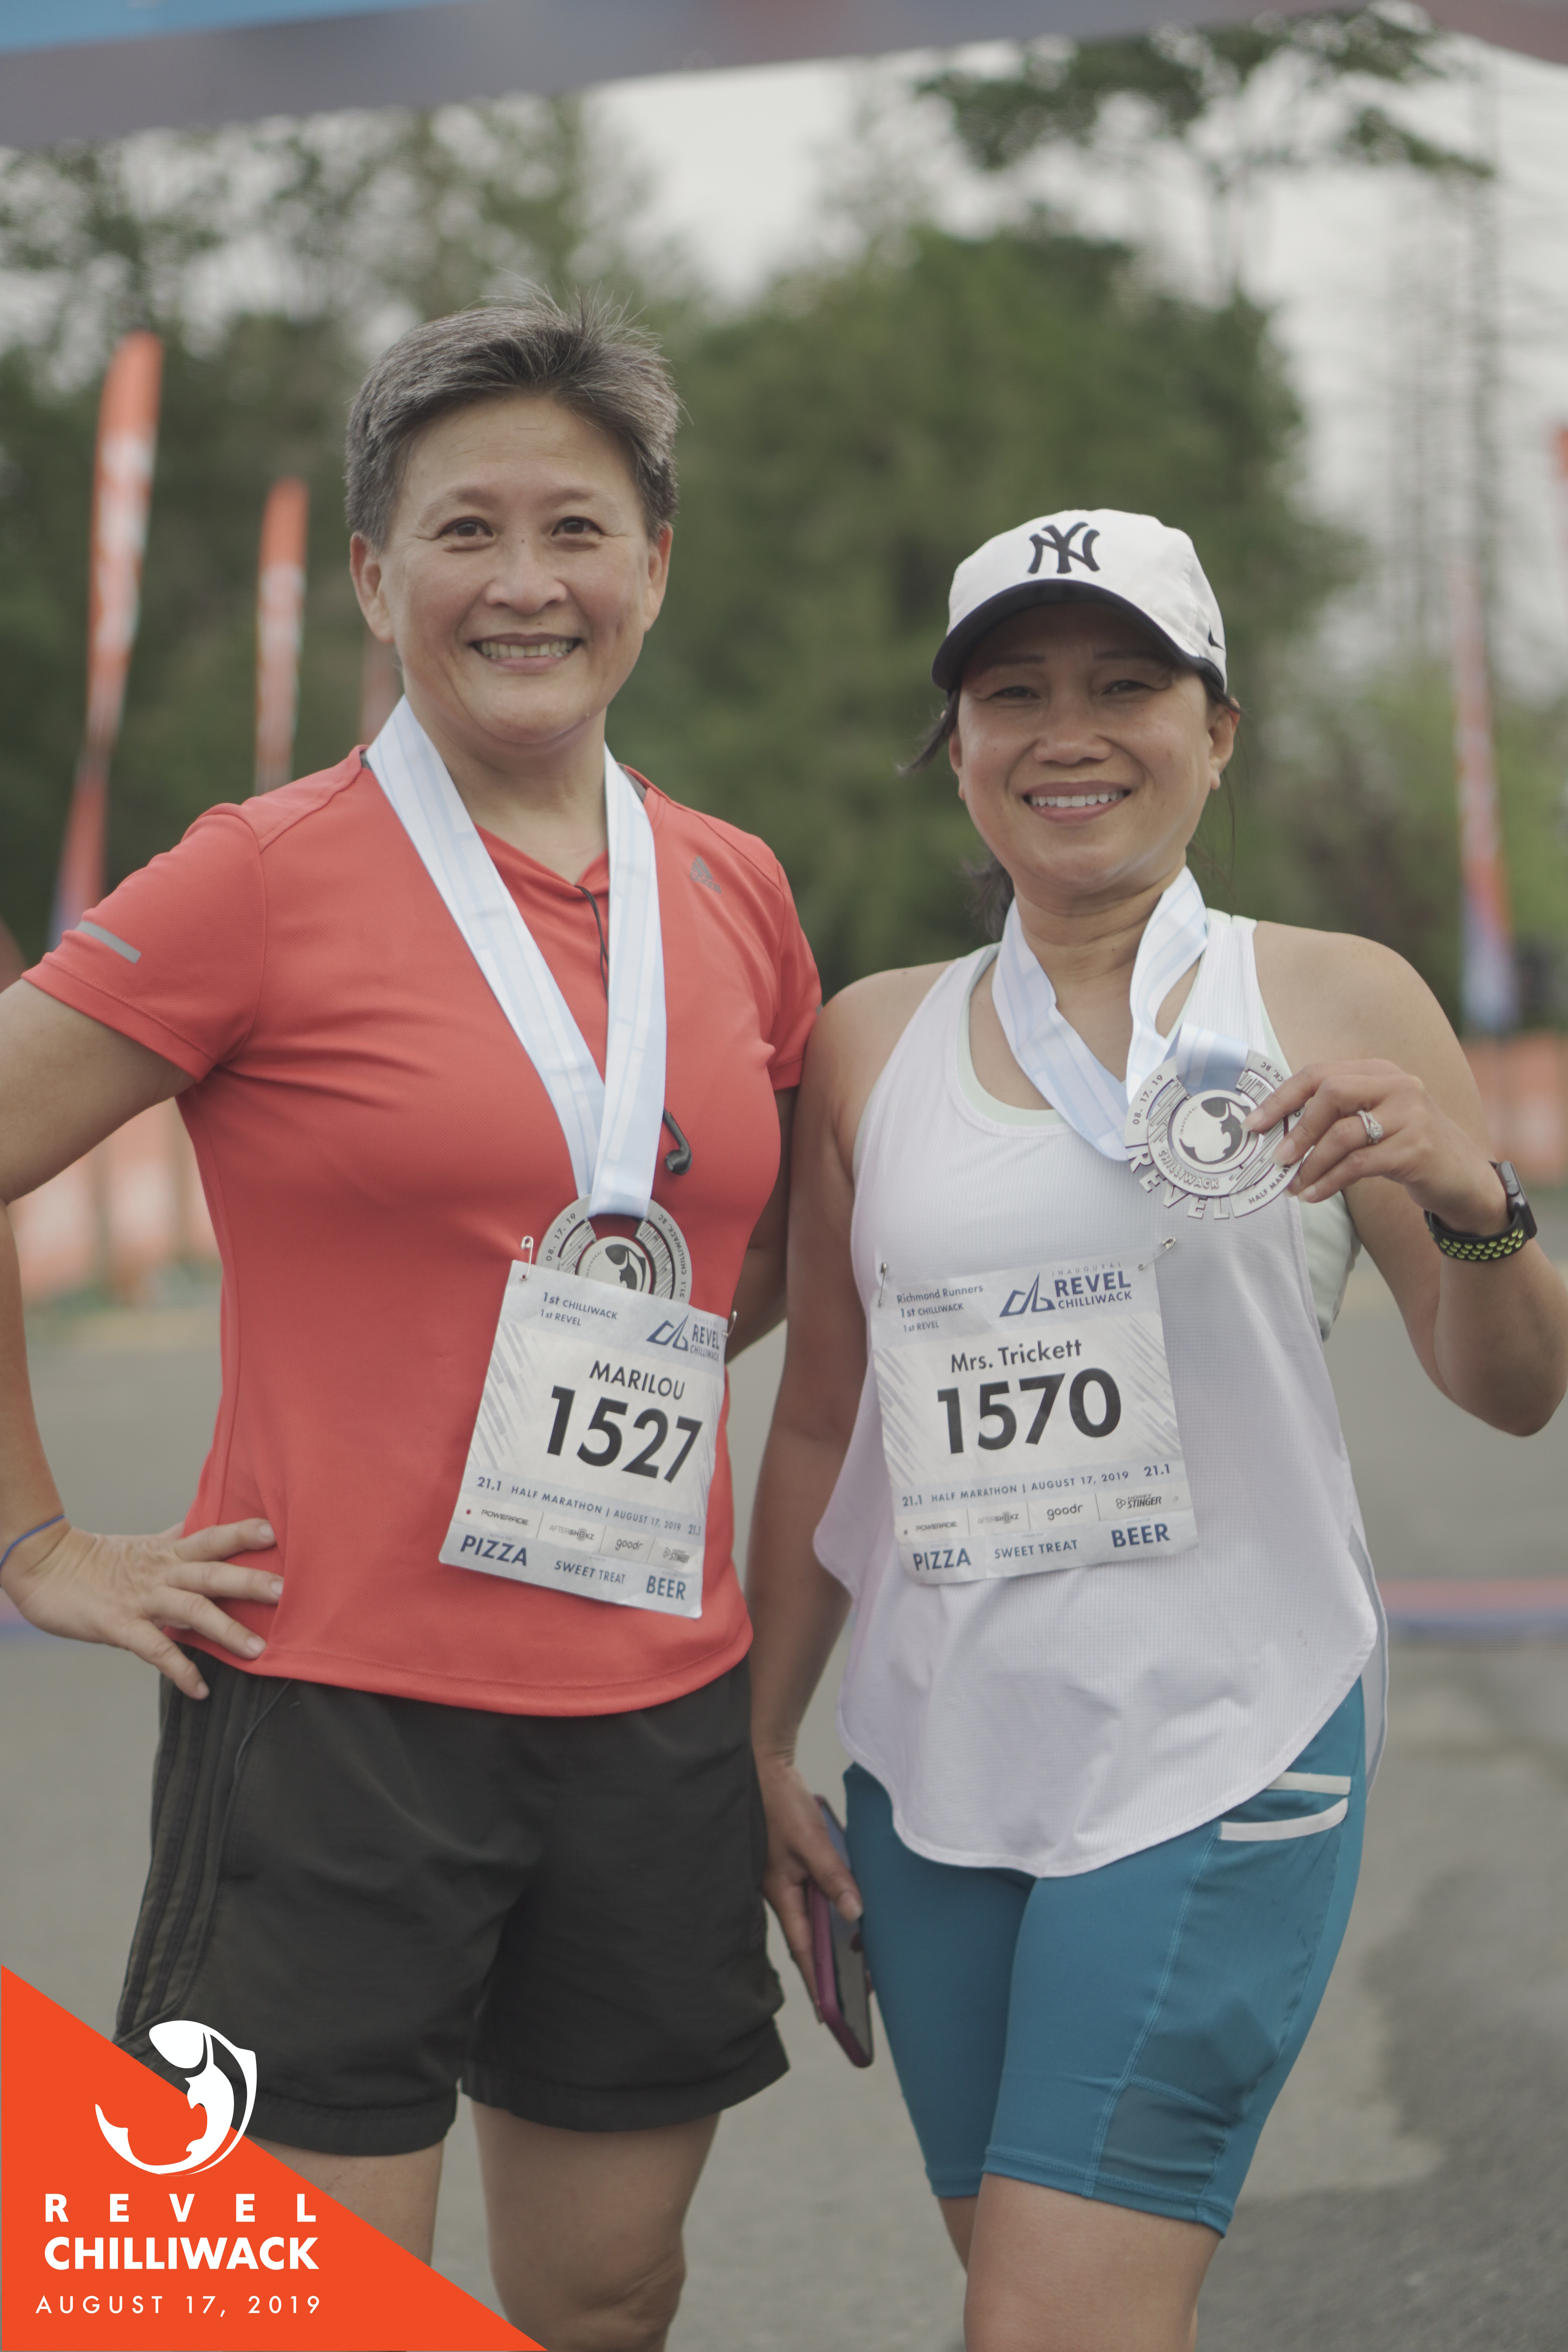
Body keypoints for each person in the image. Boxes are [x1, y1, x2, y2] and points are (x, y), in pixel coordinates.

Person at [0, 293, 820, 2352]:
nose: (525, 582)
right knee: (299, 2309)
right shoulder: (256, 878)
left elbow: (761, 1245)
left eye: (577, 528)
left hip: (654, 1715)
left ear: (654, 567)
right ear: (375, 580)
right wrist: (33, 1541)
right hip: (331, 1720)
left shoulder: (733, 890)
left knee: (609, 2293)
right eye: (466, 531)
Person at [748, 508, 1568, 2352]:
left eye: (1126, 685)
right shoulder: (871, 1039)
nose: (1070, 734)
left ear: (1217, 731)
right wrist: (761, 1733)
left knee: (1047, 2323)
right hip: (937, 1771)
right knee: (1030, 2295)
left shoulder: (1334, 994)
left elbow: (1512, 1388)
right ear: (956, 745)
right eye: (1014, 694)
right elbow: (820, 1422)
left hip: (1224, 1750)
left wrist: (1473, 1198)